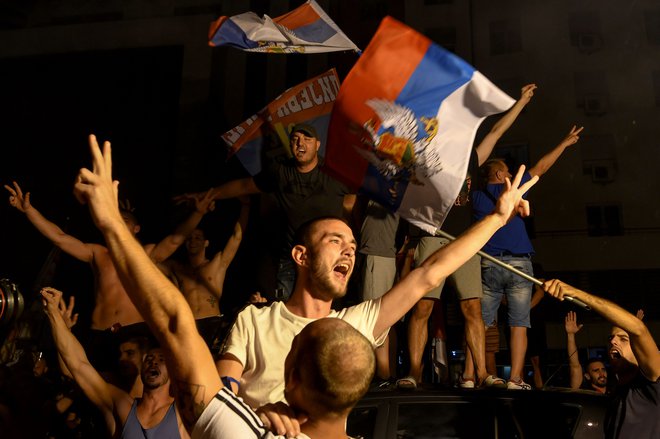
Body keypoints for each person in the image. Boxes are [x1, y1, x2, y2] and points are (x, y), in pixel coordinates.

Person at [71, 134, 384, 438]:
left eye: (294, 346)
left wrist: (112, 223)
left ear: (290, 378)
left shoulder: (246, 433)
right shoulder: (250, 320)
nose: (348, 250)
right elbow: (427, 275)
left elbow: (174, 321)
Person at [217, 166, 538, 408]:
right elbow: (218, 401)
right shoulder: (254, 322)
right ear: (301, 255)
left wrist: (497, 218)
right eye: (335, 241)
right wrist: (261, 418)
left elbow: (428, 273)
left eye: (353, 246)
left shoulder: (352, 325)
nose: (348, 251)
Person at [398, 84, 539, 390]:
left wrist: (522, 101)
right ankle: (413, 373)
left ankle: (483, 374)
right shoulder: (424, 157)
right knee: (422, 307)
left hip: (464, 240)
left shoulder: (472, 160)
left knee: (472, 308)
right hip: (432, 236)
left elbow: (497, 131)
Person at [177, 123, 355, 300]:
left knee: (322, 316)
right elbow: (244, 186)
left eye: (306, 139)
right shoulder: (280, 172)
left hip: (328, 260)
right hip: (292, 260)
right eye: (295, 140)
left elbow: (358, 195)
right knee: (287, 314)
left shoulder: (333, 174)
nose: (300, 144)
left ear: (317, 145)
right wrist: (204, 195)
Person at [4, 181, 214, 331]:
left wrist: (199, 213)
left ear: (136, 228)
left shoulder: (147, 253)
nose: (120, 222)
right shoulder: (97, 252)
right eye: (117, 219)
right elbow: (59, 238)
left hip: (134, 333)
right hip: (100, 331)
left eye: (126, 220)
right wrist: (28, 210)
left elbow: (175, 240)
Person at [472, 124, 583, 389]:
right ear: (500, 174)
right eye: (507, 171)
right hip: (519, 263)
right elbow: (542, 167)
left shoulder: (475, 197)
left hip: (490, 263)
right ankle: (515, 378)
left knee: (483, 324)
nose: (511, 174)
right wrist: (564, 144)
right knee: (519, 325)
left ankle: (479, 374)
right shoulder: (512, 190)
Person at [41, 286, 189, 439]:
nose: (154, 363)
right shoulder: (122, 406)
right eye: (150, 359)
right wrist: (53, 314)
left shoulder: (184, 415)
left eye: (162, 359)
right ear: (143, 364)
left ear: (173, 368)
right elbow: (78, 365)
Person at [543, 280, 659, 438]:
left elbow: (639, 330)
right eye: (611, 338)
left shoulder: (652, 383)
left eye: (623, 339)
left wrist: (574, 292)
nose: (613, 341)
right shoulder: (616, 395)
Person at [159, 199, 249, 348]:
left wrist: (246, 204)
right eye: (189, 238)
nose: (193, 241)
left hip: (213, 323)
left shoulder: (217, 263)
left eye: (197, 238)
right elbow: (149, 260)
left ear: (206, 243)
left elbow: (237, 236)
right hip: (188, 326)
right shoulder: (176, 268)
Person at [565, 311, 609, 393]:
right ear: (587, 376)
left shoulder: (615, 390)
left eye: (603, 369)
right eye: (596, 370)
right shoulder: (585, 392)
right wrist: (570, 335)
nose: (601, 373)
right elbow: (574, 365)